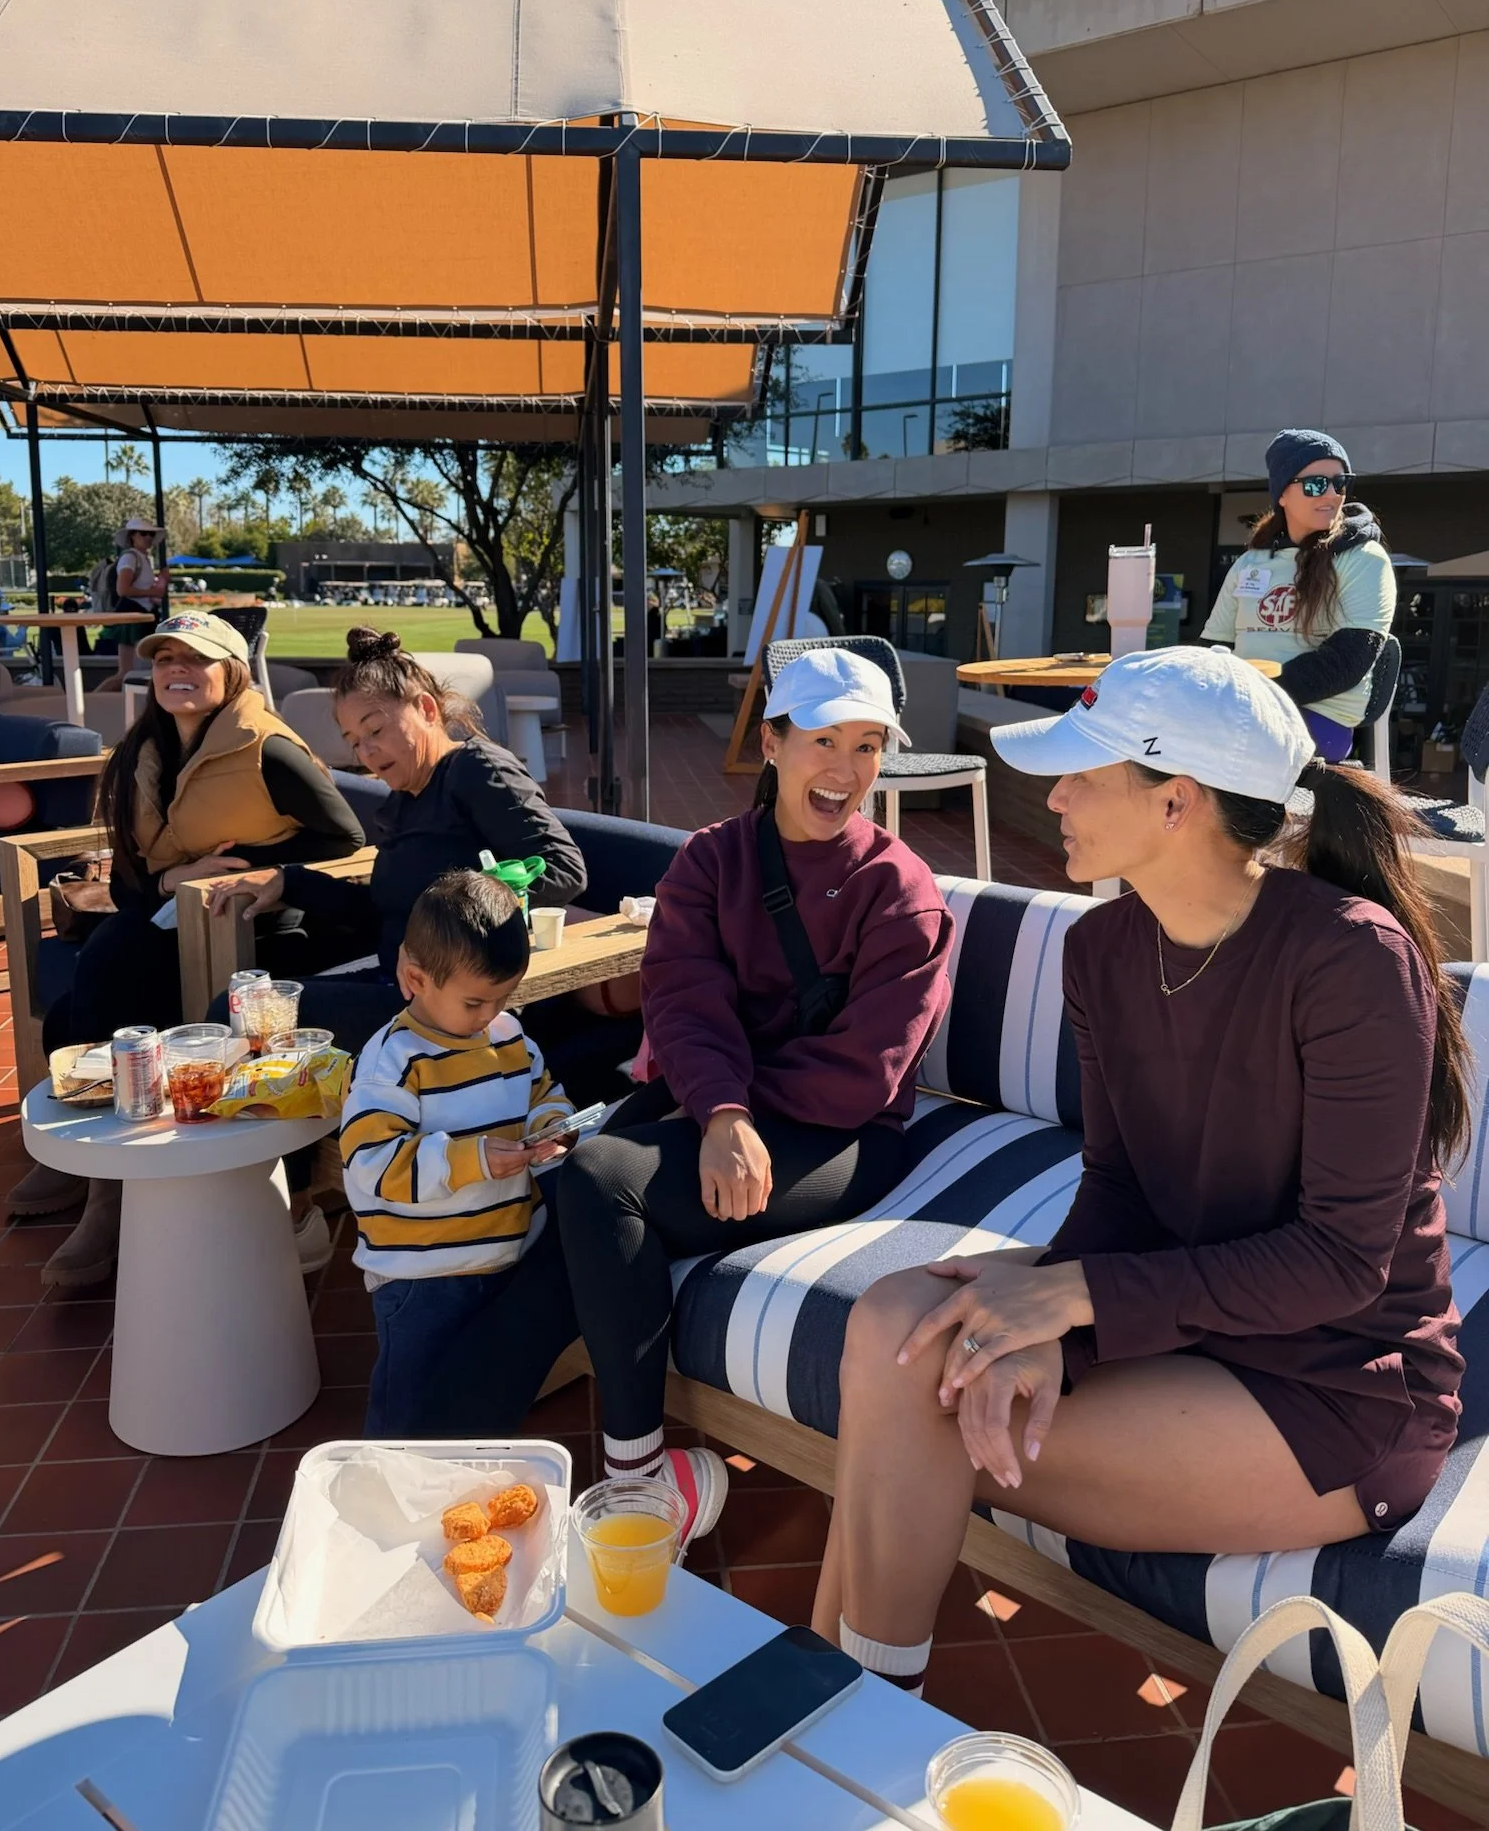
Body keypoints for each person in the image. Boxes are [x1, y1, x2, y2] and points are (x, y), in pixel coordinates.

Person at [813, 647, 1464, 1694]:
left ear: (1179, 801)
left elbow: (1342, 1262)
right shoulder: (1104, 947)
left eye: (1083, 772)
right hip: (1186, 1323)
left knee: (915, 1397)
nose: (1054, 795)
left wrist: (1072, 1298)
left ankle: (850, 1709)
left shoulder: (1350, 956)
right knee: (897, 1321)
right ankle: (837, 1701)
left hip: (1335, 1384)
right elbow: (1118, 1187)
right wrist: (1052, 1338)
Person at [551, 647, 956, 1544]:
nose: (845, 770)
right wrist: (721, 1112)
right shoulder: (711, 861)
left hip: (841, 1135)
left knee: (597, 1180)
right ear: (772, 742)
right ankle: (427, 1455)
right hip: (729, 1113)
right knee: (560, 1207)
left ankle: (643, 1483)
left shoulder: (901, 892)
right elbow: (683, 1000)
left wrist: (720, 1104)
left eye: (867, 745)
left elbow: (865, 1073)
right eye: (822, 740)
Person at [11, 611, 366, 1286]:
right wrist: (171, 878)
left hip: (256, 927)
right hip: (169, 914)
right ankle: (100, 1173)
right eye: (165, 659)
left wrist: (242, 866)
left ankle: (106, 1192)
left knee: (110, 966)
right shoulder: (140, 752)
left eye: (196, 660)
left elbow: (346, 839)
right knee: (77, 1009)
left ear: (231, 674)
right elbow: (125, 878)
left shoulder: (269, 748)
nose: (178, 670)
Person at [203, 628, 595, 1074]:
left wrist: (446, 925)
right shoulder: (404, 801)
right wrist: (288, 880)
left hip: (457, 1005)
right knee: (248, 1003)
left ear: (426, 709)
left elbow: (564, 869)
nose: (367, 752)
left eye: (376, 729)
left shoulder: (476, 769)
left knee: (232, 1017)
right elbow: (381, 912)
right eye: (354, 741)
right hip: (399, 985)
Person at [340, 869, 575, 1436]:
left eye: (503, 998)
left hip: (504, 1259)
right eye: (475, 1002)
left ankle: (462, 1504)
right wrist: (469, 1160)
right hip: (422, 1279)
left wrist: (554, 1127)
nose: (490, 1015)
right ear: (414, 977)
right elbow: (371, 1164)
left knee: (476, 1407)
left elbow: (543, 1092)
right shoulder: (391, 1063)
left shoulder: (509, 1037)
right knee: (409, 1418)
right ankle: (388, 1508)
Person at [1202, 429, 1396, 761]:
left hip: (1318, 720)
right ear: (1282, 495)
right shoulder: (1251, 561)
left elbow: (1346, 662)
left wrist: (1251, 697)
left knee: (1197, 750)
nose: (1332, 494)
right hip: (1241, 712)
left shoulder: (1364, 558)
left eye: (1340, 482)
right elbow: (1213, 650)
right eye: (1315, 484)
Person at [94, 518, 170, 691]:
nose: (148, 538)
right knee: (127, 672)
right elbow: (123, 589)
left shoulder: (142, 559)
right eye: (143, 533)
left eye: (151, 534)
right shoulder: (129, 558)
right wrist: (153, 592)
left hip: (142, 616)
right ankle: (92, 698)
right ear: (132, 536)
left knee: (132, 672)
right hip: (131, 618)